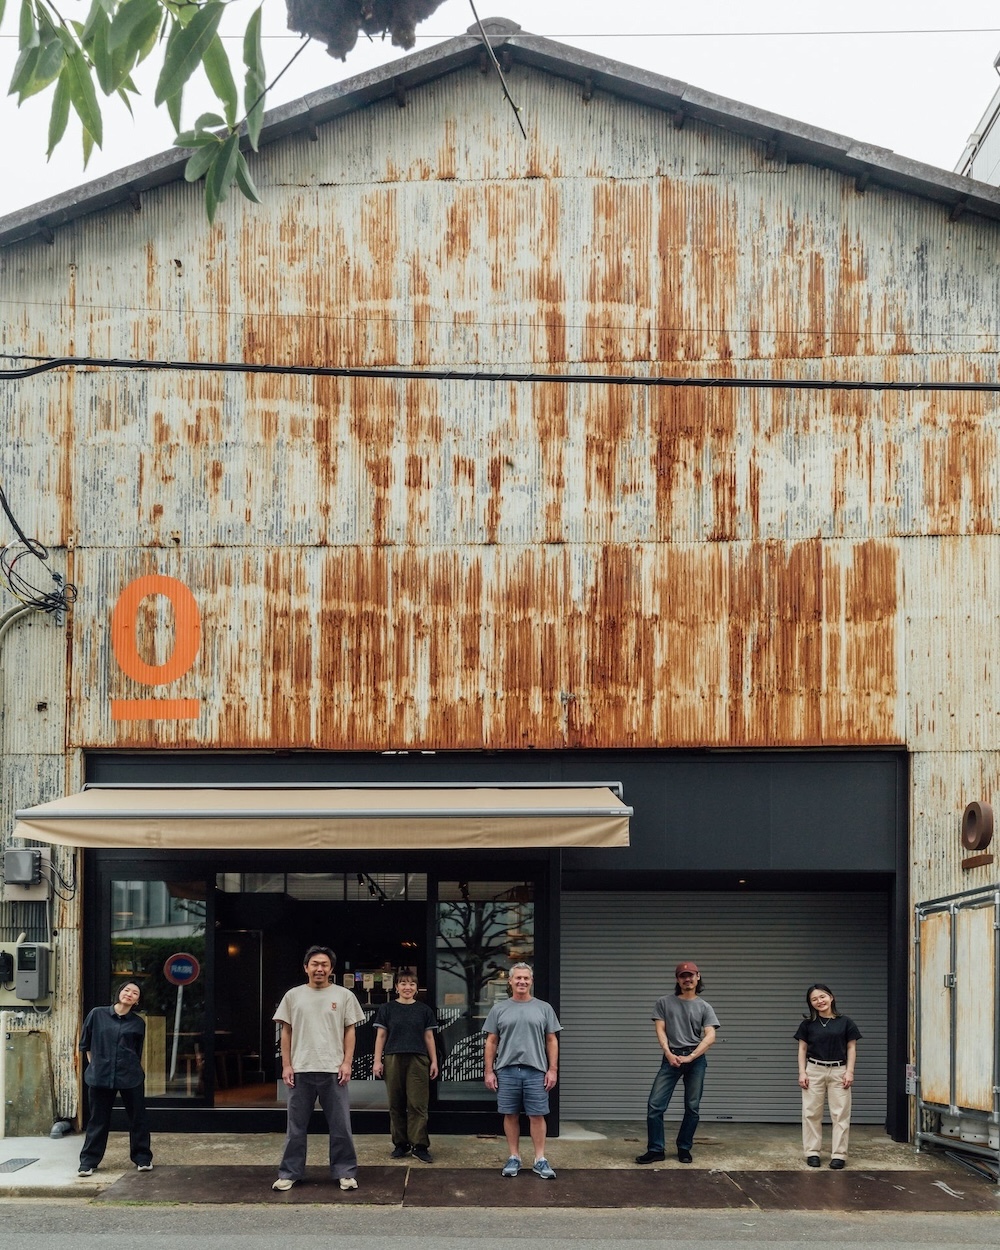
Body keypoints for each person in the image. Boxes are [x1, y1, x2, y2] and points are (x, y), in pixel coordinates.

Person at [271, 945, 365, 1192]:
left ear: (331, 969)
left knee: (341, 1125)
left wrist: (347, 1062)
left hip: (333, 1070)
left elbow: (350, 1031)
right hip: (300, 1069)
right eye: (315, 964)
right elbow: (286, 1031)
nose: (319, 968)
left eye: (324, 964)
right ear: (306, 967)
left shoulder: (344, 995)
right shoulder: (293, 996)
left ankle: (345, 1172)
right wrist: (286, 1065)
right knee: (295, 1127)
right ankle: (290, 1173)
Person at [635, 960, 720, 1166]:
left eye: (691, 975)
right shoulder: (664, 1002)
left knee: (692, 1107)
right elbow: (660, 1030)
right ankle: (656, 1150)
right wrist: (668, 1052)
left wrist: (691, 1057)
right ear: (677, 979)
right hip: (670, 1057)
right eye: (683, 976)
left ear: (698, 977)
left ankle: (684, 1148)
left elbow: (710, 1036)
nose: (687, 979)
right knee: (655, 1105)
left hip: (696, 1059)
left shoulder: (705, 1007)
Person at [482, 962, 561, 1180]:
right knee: (510, 1114)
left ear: (531, 981)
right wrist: (489, 1071)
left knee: (537, 1115)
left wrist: (552, 1069)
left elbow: (552, 1040)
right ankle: (514, 1157)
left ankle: (540, 1159)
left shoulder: (544, 1008)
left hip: (536, 1070)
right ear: (510, 981)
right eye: (518, 978)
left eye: (526, 978)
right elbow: (491, 1041)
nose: (522, 982)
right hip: (507, 1070)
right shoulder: (499, 1009)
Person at [77, 981, 153, 1177]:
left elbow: (137, 1051)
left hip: (130, 1075)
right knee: (98, 1120)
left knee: (138, 1118)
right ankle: (88, 1161)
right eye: (126, 990)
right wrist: (95, 1066)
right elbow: (86, 1045)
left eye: (135, 993)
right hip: (100, 1076)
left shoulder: (138, 1023)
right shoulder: (97, 1014)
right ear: (119, 992)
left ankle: (142, 1158)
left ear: (137, 1001)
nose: (129, 994)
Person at [372, 969, 439, 1162]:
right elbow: (381, 1036)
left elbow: (429, 1037)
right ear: (396, 987)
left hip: (418, 1059)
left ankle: (420, 1145)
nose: (407, 987)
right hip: (393, 1057)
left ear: (417, 988)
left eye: (411, 984)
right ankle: (400, 1144)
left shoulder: (424, 1010)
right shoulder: (387, 1009)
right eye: (403, 983)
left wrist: (434, 1060)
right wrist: (377, 1060)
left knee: (418, 1104)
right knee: (396, 1103)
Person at [794, 983, 861, 1170]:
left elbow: (851, 1048)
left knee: (840, 1114)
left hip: (839, 1070)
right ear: (810, 1003)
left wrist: (850, 1071)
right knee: (811, 1113)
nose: (819, 1001)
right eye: (814, 999)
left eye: (822, 997)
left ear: (831, 997)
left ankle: (839, 1154)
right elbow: (802, 1049)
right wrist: (802, 1072)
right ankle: (812, 1152)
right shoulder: (807, 1025)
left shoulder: (845, 1022)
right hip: (814, 1069)